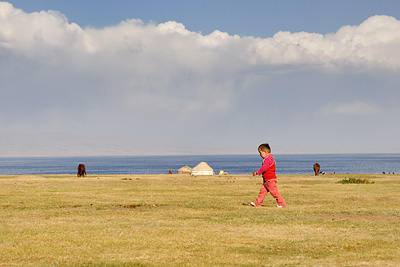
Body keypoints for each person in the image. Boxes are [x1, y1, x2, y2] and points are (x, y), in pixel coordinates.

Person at [251, 143, 287, 208]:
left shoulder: (268, 159)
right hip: (266, 180)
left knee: (274, 192)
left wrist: (257, 172)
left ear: (265, 152)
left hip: (270, 180)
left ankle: (282, 203)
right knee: (262, 192)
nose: (260, 155)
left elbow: (264, 168)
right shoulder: (270, 158)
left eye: (260, 153)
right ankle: (257, 203)